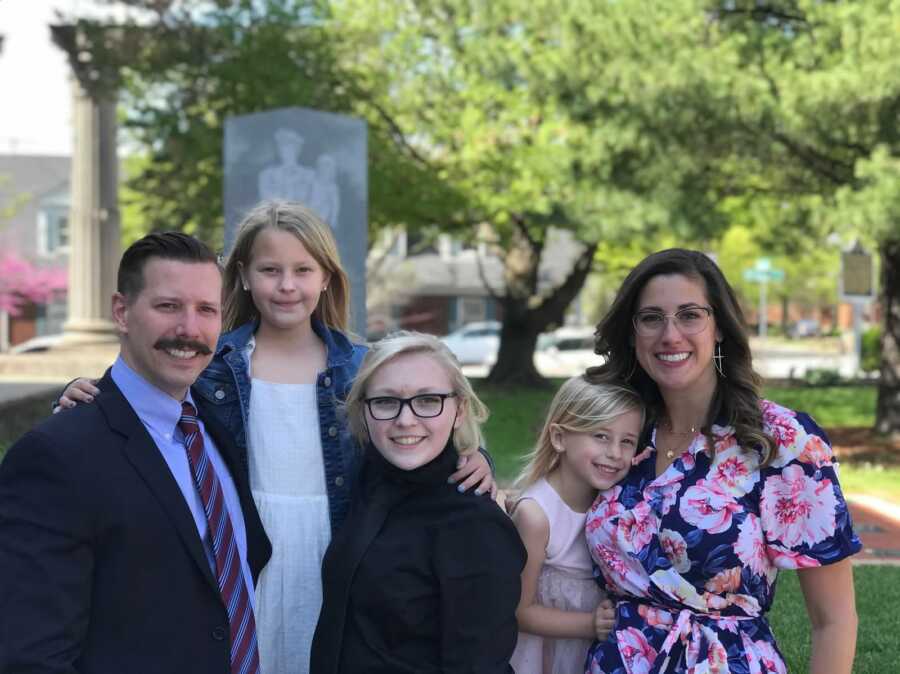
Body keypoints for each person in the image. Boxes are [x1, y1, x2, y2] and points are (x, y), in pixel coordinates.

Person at [54, 201, 494, 674]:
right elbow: (146, 399)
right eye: (270, 270)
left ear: (326, 278)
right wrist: (81, 390)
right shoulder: (212, 362)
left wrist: (476, 454)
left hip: (335, 550)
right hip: (239, 554)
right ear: (242, 276)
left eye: (303, 270)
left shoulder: (360, 365)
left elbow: (418, 422)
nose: (287, 285)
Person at [0, 232, 271, 673]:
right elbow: (32, 656)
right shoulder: (56, 456)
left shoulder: (216, 433)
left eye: (206, 310)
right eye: (168, 306)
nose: (189, 329)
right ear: (122, 312)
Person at [583, 248, 861, 674]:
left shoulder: (780, 440)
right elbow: (544, 486)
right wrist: (478, 464)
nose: (670, 335)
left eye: (690, 315)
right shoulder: (616, 430)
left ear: (719, 329)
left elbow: (833, 620)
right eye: (652, 317)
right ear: (632, 332)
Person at [310, 331, 526, 674]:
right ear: (364, 411)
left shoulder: (474, 524)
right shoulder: (369, 477)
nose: (405, 420)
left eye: (428, 400)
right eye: (385, 401)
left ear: (459, 410)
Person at [510, 376, 644, 674]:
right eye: (600, 436)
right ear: (559, 438)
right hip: (546, 648)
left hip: (593, 643)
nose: (615, 453)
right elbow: (520, 610)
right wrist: (590, 624)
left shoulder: (616, 503)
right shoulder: (536, 515)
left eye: (627, 442)